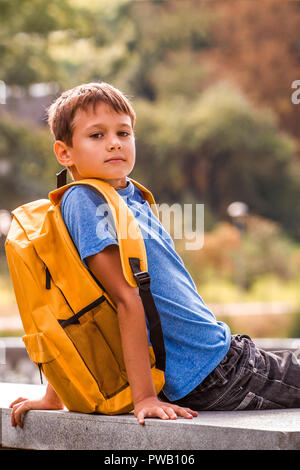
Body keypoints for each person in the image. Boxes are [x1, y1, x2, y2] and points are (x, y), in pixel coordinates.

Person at [10, 82, 300, 428]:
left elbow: (83, 300)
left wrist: (56, 396)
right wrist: (144, 397)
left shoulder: (126, 195)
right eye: (97, 135)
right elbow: (116, 299)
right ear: (65, 153)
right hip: (213, 374)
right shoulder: (85, 201)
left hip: (219, 360)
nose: (115, 142)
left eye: (123, 132)